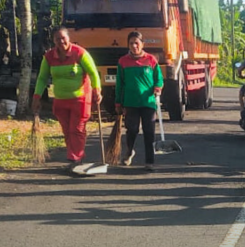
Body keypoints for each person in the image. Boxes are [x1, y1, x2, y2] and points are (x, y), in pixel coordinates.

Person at [32, 27, 102, 169]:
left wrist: (97, 90)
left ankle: (75, 158)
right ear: (54, 41)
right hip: (60, 100)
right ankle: (76, 156)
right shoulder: (49, 57)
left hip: (80, 99)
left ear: (69, 38)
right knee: (67, 130)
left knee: (76, 129)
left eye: (63, 38)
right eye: (57, 39)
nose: (61, 41)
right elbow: (42, 78)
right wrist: (36, 97)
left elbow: (93, 73)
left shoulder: (80, 53)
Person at [115, 31, 164, 172]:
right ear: (128, 45)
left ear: (142, 44)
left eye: (137, 43)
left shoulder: (151, 60)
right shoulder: (123, 61)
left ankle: (150, 161)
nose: (134, 46)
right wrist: (118, 102)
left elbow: (158, 78)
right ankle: (129, 151)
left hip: (148, 102)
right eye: (131, 43)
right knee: (132, 130)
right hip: (131, 102)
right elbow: (120, 84)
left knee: (149, 132)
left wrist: (157, 88)